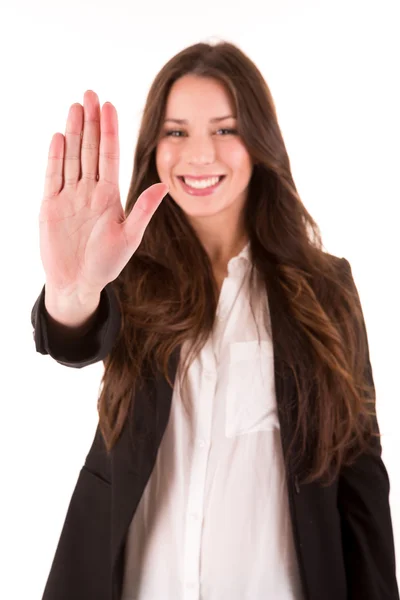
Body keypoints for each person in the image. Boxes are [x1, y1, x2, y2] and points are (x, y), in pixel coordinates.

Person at [31, 40, 399, 600]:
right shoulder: (130, 272)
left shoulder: (324, 288)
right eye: (176, 132)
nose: (199, 154)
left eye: (225, 129)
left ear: (260, 141)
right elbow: (74, 337)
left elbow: (360, 474)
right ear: (153, 146)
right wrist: (74, 290)